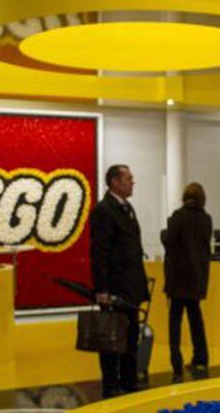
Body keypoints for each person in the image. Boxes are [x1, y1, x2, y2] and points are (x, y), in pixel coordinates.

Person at [90, 164, 149, 397]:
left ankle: (128, 379)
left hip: (131, 287)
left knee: (131, 336)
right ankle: (111, 384)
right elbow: (100, 252)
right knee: (111, 338)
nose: (133, 182)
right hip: (115, 287)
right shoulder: (104, 211)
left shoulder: (127, 208)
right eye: (128, 178)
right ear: (115, 182)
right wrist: (102, 289)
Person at [162, 182, 212, 382]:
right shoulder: (206, 219)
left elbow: (169, 241)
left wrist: (163, 233)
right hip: (197, 277)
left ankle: (176, 363)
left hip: (178, 277)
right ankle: (201, 357)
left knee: (175, 320)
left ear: (185, 197)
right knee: (195, 318)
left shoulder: (178, 216)